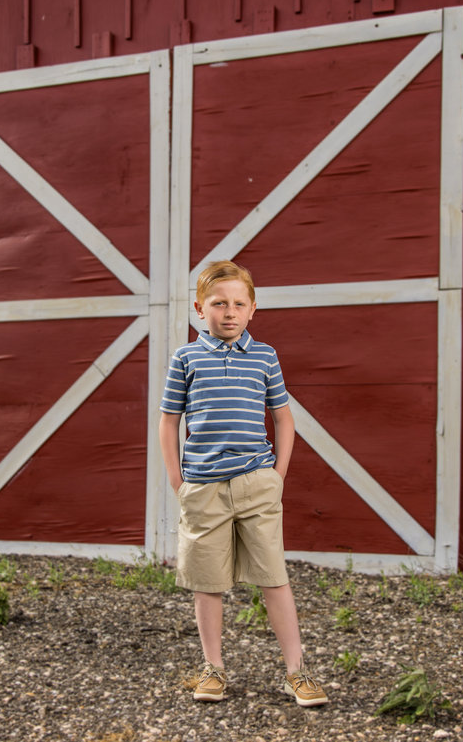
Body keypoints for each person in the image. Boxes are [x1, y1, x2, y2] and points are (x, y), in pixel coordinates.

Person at [158, 260, 329, 707]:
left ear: (252, 309)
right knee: (208, 582)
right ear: (200, 308)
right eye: (219, 304)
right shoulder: (185, 358)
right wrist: (178, 481)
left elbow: (284, 419)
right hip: (203, 487)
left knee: (274, 578)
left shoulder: (265, 356)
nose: (229, 312)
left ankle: (297, 672)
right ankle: (213, 668)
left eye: (238, 303)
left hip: (257, 484)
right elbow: (168, 421)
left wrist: (278, 476)